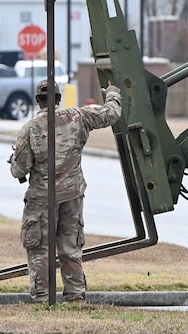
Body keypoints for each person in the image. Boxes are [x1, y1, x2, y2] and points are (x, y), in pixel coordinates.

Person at [8, 79, 122, 302]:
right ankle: (75, 296)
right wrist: (113, 94)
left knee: (40, 248)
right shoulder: (78, 117)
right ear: (59, 99)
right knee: (70, 247)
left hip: (41, 199)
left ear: (38, 100)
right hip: (72, 194)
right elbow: (110, 114)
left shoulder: (30, 129)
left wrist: (13, 161)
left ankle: (42, 298)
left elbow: (19, 169)